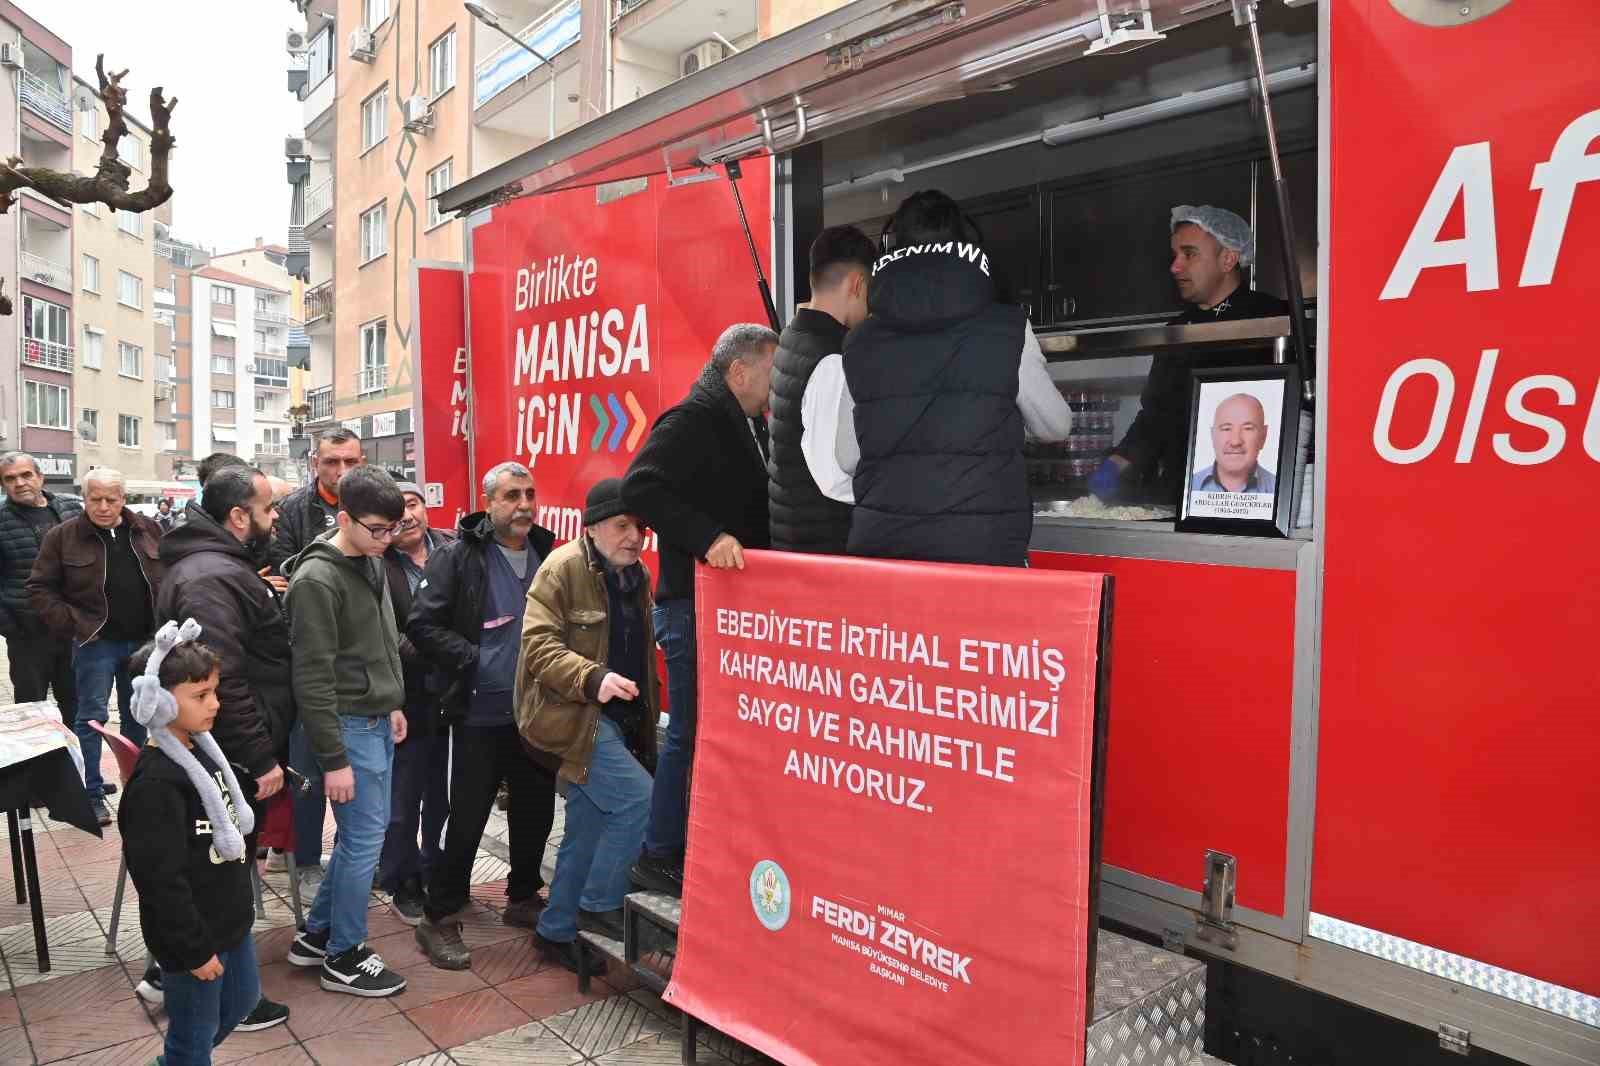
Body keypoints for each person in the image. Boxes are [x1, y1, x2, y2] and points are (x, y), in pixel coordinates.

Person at [807, 191, 1074, 567]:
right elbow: (1056, 426)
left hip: (886, 551)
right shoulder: (1006, 328)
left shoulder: (860, 341)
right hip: (981, 551)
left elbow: (848, 457)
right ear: (968, 245)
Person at [621, 323, 776, 896]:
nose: (774, 385)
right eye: (770, 372)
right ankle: (658, 854)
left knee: (712, 735)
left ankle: (698, 841)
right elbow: (640, 487)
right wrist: (707, 536)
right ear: (739, 372)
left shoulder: (747, 422)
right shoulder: (693, 420)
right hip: (691, 609)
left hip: (725, 610)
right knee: (687, 733)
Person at [155, 464, 295, 1032]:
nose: (277, 517)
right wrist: (259, 759)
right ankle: (222, 996)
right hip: (229, 752)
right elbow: (221, 682)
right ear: (238, 517)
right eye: (267, 508)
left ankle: (197, 982)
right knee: (221, 873)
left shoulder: (218, 566)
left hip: (225, 748)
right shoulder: (213, 577)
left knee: (221, 871)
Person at [408, 461, 557, 970]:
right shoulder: (458, 558)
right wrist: (478, 660)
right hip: (479, 712)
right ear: (489, 502)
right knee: (468, 816)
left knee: (536, 807)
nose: (524, 505)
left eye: (530, 494)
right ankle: (439, 915)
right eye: (512, 495)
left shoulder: (545, 550)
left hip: (536, 712)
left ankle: (521, 896)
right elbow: (421, 626)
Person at [519, 479, 656, 972]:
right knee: (639, 800)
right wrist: (593, 677)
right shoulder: (562, 569)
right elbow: (537, 648)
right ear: (593, 527)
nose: (634, 536)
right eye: (622, 526)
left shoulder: (636, 575)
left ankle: (554, 930)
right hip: (570, 718)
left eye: (639, 526)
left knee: (588, 823)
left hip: (616, 720)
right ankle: (598, 904)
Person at [283, 466, 409, 997]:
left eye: (394, 529)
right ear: (343, 519)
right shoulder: (317, 579)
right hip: (347, 727)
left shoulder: (370, 558)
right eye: (376, 529)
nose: (387, 539)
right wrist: (333, 758)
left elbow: (378, 641)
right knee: (363, 842)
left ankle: (317, 935)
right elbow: (312, 677)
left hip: (376, 717)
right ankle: (345, 954)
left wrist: (393, 701)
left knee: (362, 839)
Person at [118, 621, 259, 1066]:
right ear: (156, 703)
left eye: (214, 691)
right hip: (191, 937)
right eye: (200, 696)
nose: (215, 704)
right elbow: (159, 879)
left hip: (230, 920)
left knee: (240, 1001)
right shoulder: (156, 784)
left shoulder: (202, 751)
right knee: (193, 1038)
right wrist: (193, 948)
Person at [1091, 205, 1291, 503]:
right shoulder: (1177, 330)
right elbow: (1155, 417)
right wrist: (1117, 463)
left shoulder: (1272, 320)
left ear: (1228, 258)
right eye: (1175, 256)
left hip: (1250, 497)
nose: (1175, 266)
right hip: (1176, 491)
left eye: (1189, 254)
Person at [26, 468, 162, 825]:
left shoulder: (147, 529)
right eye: (94, 499)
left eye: (110, 499)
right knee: (91, 719)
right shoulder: (63, 536)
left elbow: (170, 573)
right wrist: (72, 625)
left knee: (139, 718)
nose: (102, 507)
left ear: (123, 498)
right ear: (84, 499)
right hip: (95, 644)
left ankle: (138, 789)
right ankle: (91, 793)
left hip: (143, 645)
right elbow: (39, 588)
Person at [271, 429, 362, 887]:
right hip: (304, 648)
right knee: (306, 761)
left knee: (349, 765)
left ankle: (352, 854)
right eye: (332, 462)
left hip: (356, 653)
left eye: (350, 462)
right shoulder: (291, 510)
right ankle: (302, 856)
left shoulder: (368, 502)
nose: (341, 471)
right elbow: (281, 574)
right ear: (315, 463)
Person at [768, 226, 875, 554]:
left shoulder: (790, 337)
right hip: (825, 548)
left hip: (795, 537)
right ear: (857, 284)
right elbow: (833, 477)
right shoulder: (830, 358)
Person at [376, 481, 454, 923]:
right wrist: (435, 642)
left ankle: (434, 870)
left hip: (453, 693)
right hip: (404, 696)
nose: (406, 515)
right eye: (396, 510)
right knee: (403, 799)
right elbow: (383, 638)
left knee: (443, 796)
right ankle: (400, 878)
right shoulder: (377, 565)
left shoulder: (452, 548)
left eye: (412, 504)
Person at [0, 452, 83, 723]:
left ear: (40, 477)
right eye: (10, 479)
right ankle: (38, 766)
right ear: (3, 486)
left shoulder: (71, 509)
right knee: (31, 708)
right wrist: (11, 627)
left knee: (77, 703)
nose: (20, 483)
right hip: (27, 635)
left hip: (73, 630)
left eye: (26, 475)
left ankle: (77, 763)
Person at [1191, 392, 1275, 494]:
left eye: (1248, 429)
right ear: (1213, 435)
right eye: (1226, 429)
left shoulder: (1279, 490)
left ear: (1263, 436)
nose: (1235, 442)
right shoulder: (1189, 487)